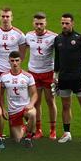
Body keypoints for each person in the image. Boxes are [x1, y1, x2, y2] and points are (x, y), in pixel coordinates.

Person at [53, 13, 81, 145]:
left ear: (72, 23)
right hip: (64, 78)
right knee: (65, 106)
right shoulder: (58, 39)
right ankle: (67, 133)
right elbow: (57, 59)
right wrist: (55, 76)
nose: (64, 26)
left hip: (78, 78)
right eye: (62, 23)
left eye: (67, 23)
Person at [25, 12, 58, 140]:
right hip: (33, 73)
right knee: (36, 103)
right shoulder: (28, 36)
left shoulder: (53, 37)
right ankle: (38, 130)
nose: (39, 26)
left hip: (48, 72)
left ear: (46, 23)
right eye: (37, 24)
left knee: (50, 101)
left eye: (41, 24)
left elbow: (61, 54)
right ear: (33, 23)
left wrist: (57, 73)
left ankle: (53, 130)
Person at [0, 51, 37, 147]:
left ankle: (28, 137)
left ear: (21, 60)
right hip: (13, 111)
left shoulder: (28, 76)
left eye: (17, 60)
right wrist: (3, 108)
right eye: (12, 61)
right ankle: (27, 129)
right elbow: (0, 95)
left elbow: (34, 94)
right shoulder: (3, 77)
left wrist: (31, 104)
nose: (15, 63)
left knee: (33, 114)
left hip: (25, 108)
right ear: (9, 61)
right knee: (17, 140)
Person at [0, 7, 26, 74]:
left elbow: (22, 55)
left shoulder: (19, 34)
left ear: (11, 18)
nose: (5, 19)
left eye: (7, 16)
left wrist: (15, 66)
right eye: (3, 16)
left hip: (13, 71)